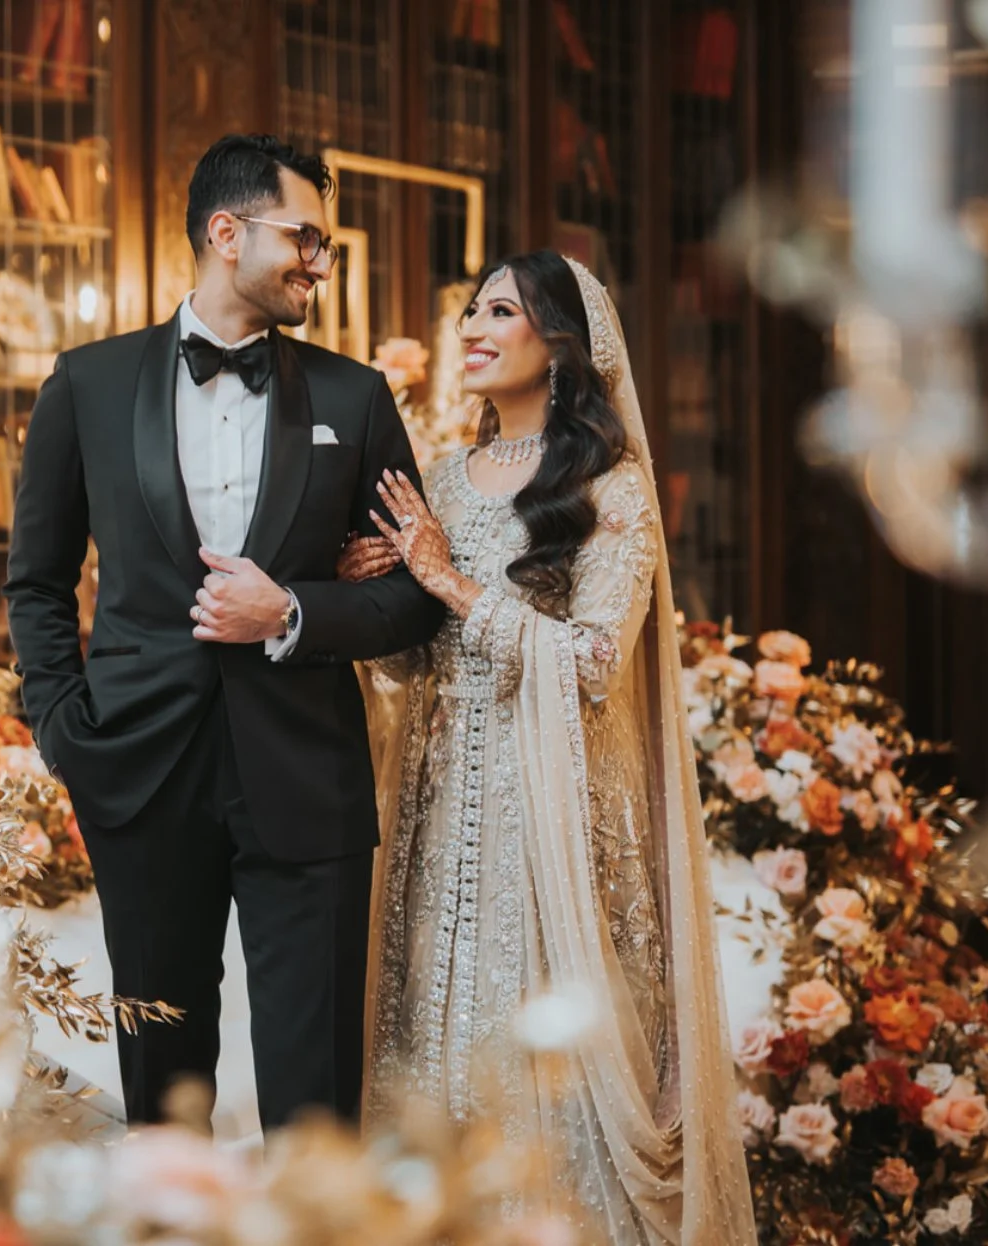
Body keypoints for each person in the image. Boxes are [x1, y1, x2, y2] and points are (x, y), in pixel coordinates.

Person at [4, 134, 446, 1131]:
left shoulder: (354, 397)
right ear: (225, 231)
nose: (321, 264)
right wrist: (63, 729)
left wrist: (291, 611)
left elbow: (414, 595)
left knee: (315, 1089)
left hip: (308, 777)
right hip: (138, 771)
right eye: (307, 238)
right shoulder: (89, 384)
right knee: (159, 1071)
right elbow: (35, 579)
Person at [340, 251, 756, 1242]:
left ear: (561, 348)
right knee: (422, 1045)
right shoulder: (440, 478)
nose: (473, 327)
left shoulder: (612, 492)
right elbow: (413, 670)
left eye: (502, 312)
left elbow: (592, 664)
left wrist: (443, 581)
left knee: (535, 1071)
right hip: (434, 828)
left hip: (548, 840)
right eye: (471, 309)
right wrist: (377, 599)